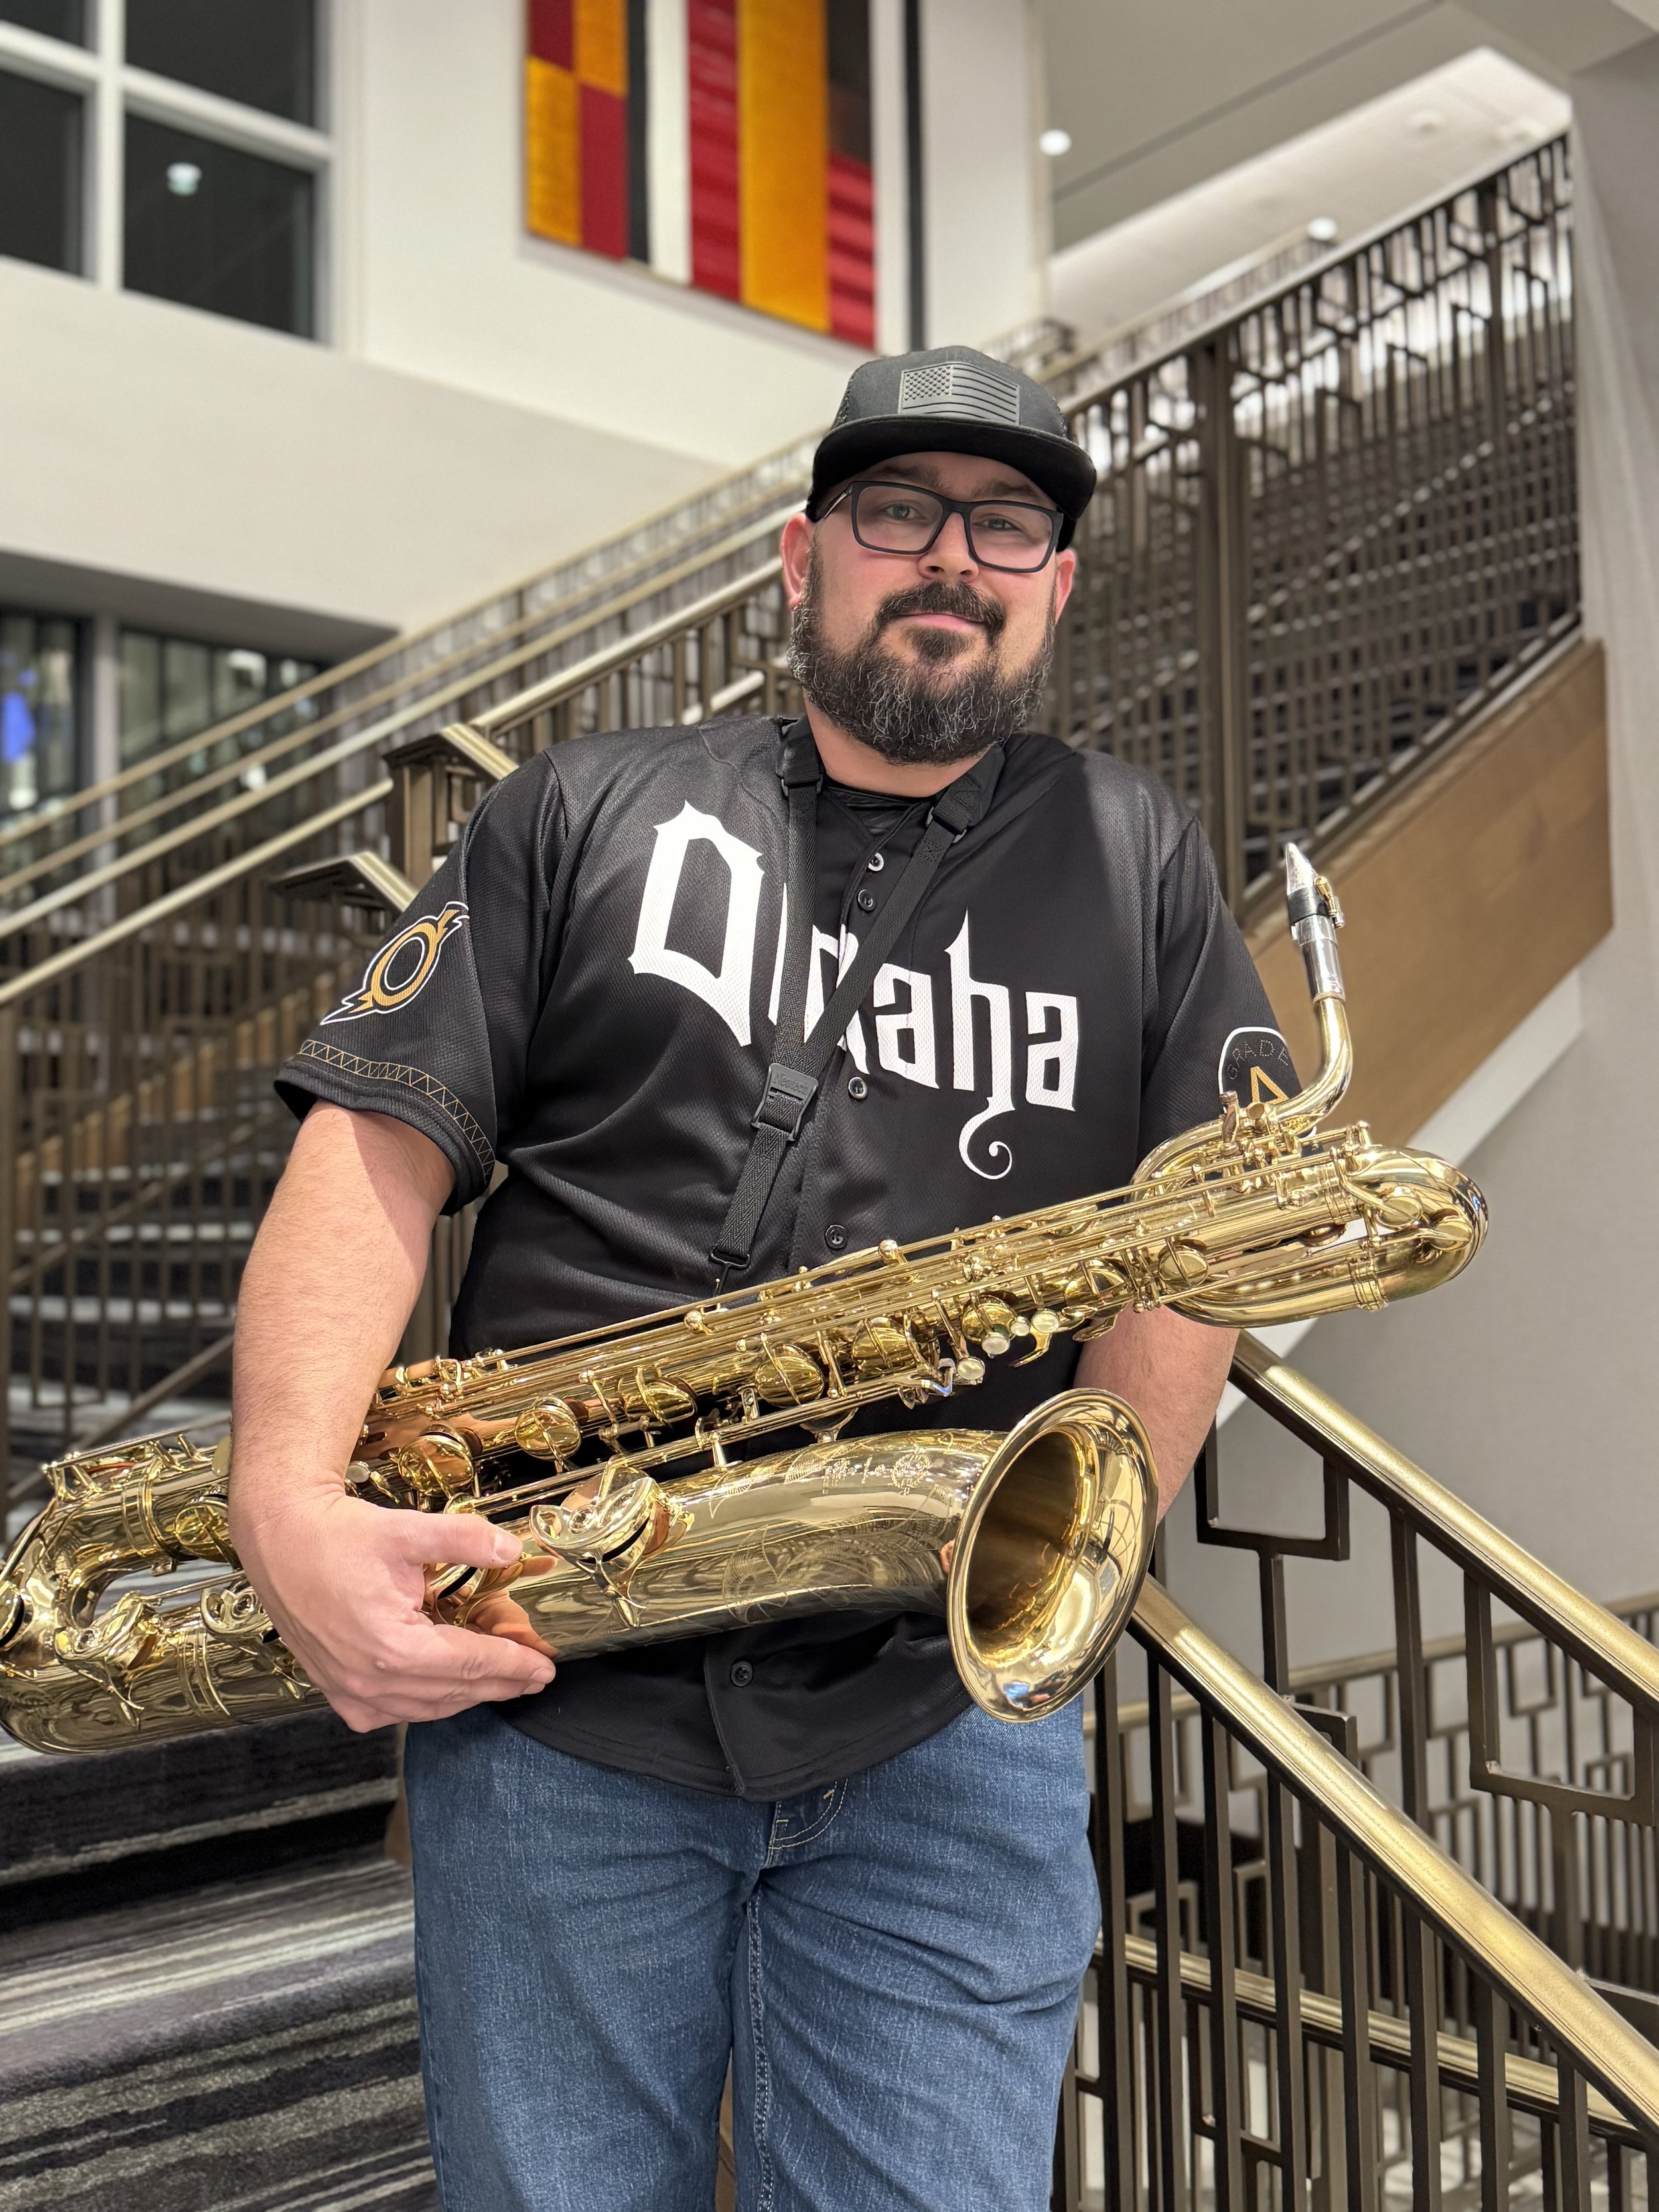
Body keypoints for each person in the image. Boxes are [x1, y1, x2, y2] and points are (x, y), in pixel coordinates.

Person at [229, 344, 1289, 2212]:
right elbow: (372, 1148)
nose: (948, 558)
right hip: (554, 1689)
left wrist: (1071, 1570)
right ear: (800, 558)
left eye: (1006, 524)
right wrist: (283, 1498)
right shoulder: (576, 807)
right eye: (896, 513)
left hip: (940, 1723)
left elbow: (1200, 1238)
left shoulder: (1137, 857)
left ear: (1052, 587)